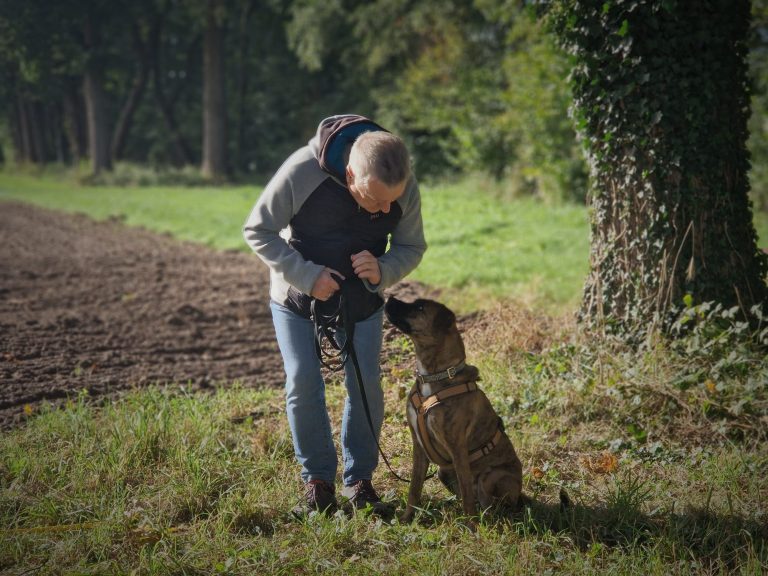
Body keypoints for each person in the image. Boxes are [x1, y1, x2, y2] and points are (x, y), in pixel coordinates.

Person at [243, 114, 426, 515]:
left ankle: (359, 482)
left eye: (391, 200)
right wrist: (307, 277)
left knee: (365, 385)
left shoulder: (399, 180)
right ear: (349, 174)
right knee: (303, 382)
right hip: (296, 298)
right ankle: (318, 483)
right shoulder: (300, 171)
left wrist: (384, 269)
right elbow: (258, 229)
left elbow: (411, 245)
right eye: (374, 199)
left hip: (363, 300)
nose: (384, 208)